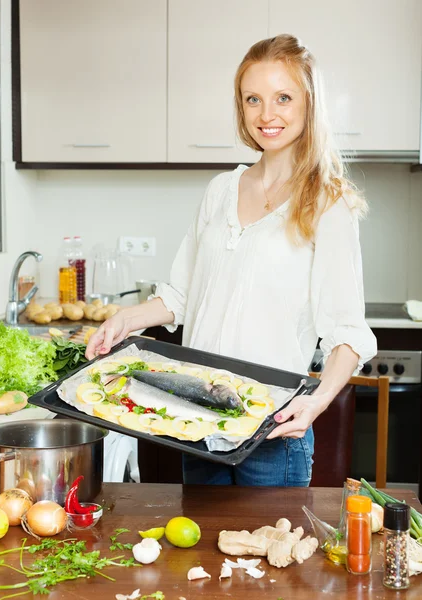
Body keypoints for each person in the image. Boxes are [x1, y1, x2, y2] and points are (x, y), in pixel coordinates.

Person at [86, 34, 377, 487]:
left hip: (272, 431)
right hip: (196, 421)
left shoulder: (327, 203)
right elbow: (181, 295)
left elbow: (348, 333)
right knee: (198, 555)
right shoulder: (221, 190)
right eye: (253, 99)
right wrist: (127, 318)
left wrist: (316, 403)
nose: (267, 114)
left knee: (269, 557)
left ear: (309, 103)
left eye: (283, 97)